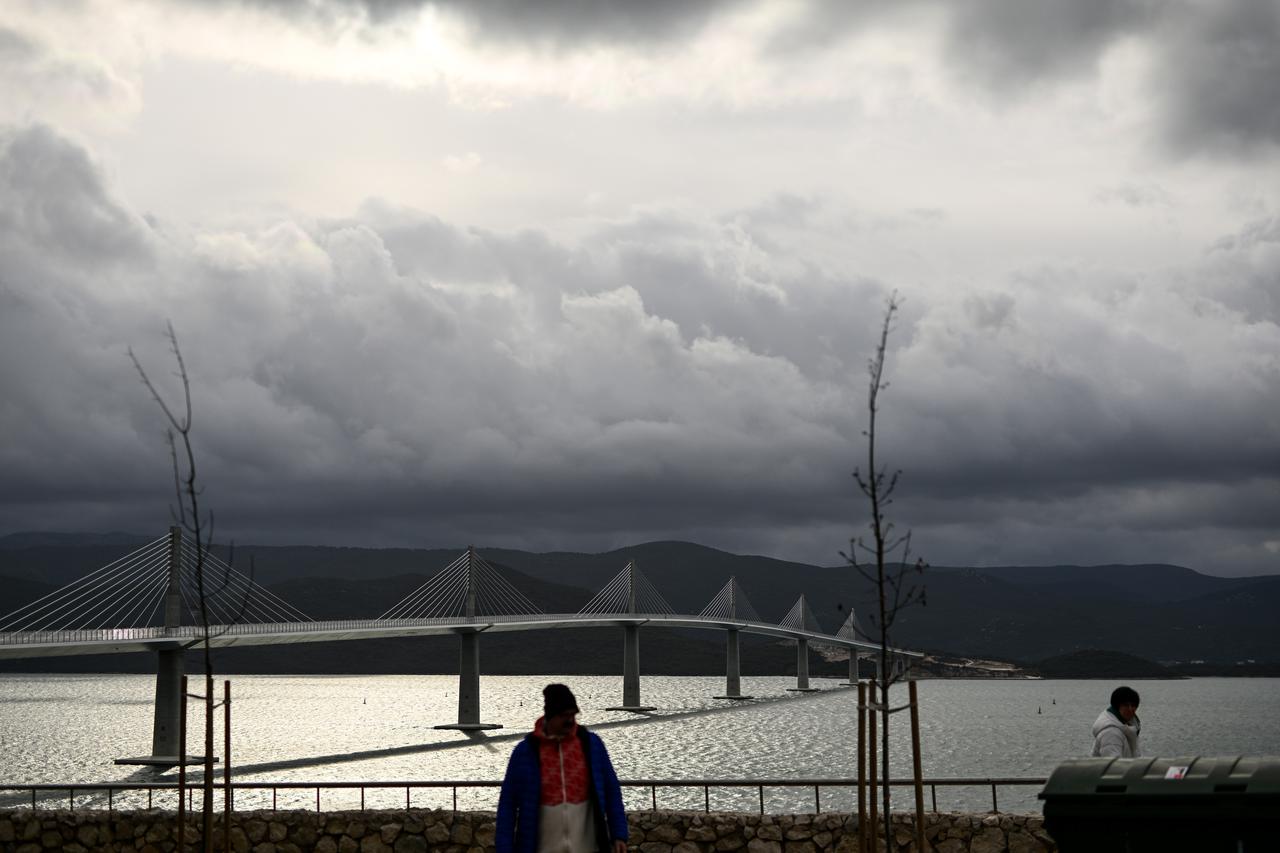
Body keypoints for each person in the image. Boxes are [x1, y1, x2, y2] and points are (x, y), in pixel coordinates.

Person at [497, 684, 629, 853]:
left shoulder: (591, 745)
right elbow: (507, 803)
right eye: (563, 716)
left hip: (589, 847)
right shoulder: (525, 751)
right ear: (549, 716)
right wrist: (504, 848)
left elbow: (612, 790)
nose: (569, 721)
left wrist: (619, 834)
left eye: (572, 715)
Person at [1091, 685, 1141, 758]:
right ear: (1116, 706)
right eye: (1126, 705)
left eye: (1133, 705)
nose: (1130, 709)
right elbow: (1113, 766)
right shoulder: (1111, 733)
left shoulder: (1129, 728)